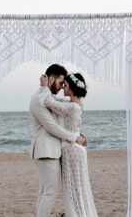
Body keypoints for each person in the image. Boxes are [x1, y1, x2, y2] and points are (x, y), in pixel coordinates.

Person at [29, 64, 87, 217]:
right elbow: (52, 127)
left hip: (51, 151)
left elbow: (65, 110)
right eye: (61, 83)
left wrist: (78, 132)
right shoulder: (38, 99)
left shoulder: (47, 96)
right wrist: (75, 138)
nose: (62, 87)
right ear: (52, 79)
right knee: (50, 192)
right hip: (46, 151)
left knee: (44, 191)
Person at [40, 72, 98, 217]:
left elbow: (48, 102)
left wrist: (44, 86)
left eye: (65, 85)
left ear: (71, 88)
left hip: (71, 151)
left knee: (73, 189)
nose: (62, 88)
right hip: (76, 149)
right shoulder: (76, 104)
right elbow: (57, 102)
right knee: (79, 188)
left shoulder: (71, 107)